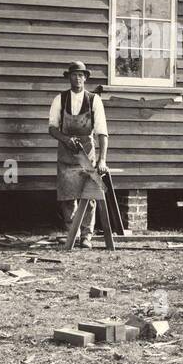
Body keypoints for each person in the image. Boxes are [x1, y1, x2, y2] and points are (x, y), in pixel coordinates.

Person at [48, 61, 109, 248]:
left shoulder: (94, 100)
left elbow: (102, 132)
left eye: (81, 75)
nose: (78, 78)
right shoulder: (60, 99)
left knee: (88, 197)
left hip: (87, 155)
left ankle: (86, 236)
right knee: (67, 196)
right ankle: (71, 233)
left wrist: (102, 159)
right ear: (69, 77)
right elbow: (51, 128)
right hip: (66, 155)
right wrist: (65, 139)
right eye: (74, 75)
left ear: (86, 78)